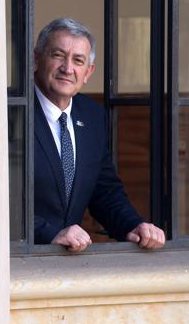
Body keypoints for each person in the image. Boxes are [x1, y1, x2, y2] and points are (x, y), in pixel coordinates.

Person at [33, 18, 165, 252]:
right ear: (37, 59)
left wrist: (132, 226)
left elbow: (104, 191)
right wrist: (49, 234)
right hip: (14, 262)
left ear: (88, 72)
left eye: (78, 60)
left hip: (70, 262)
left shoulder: (92, 115)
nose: (67, 68)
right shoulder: (9, 112)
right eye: (58, 55)